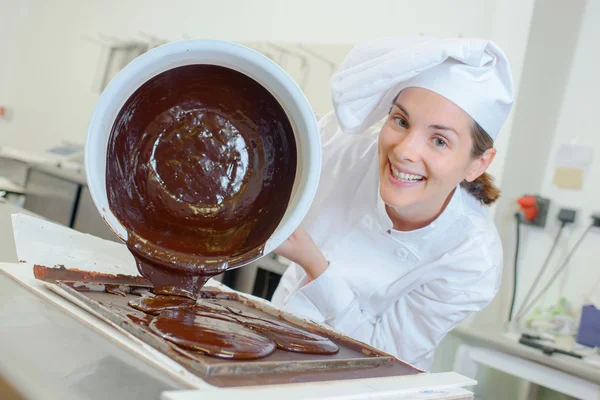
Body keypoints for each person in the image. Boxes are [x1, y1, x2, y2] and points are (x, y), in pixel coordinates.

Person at [271, 36, 515, 371]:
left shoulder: (471, 258)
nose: (403, 150)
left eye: (439, 140)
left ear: (478, 164)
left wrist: (313, 261)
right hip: (274, 336)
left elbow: (384, 355)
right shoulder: (343, 150)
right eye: (401, 121)